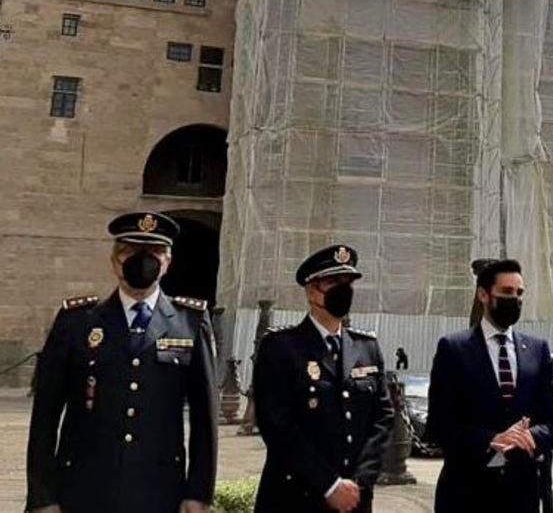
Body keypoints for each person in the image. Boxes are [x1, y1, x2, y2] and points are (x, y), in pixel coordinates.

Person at [26, 211, 217, 513]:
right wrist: (43, 496)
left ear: (167, 262)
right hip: (83, 489)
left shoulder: (189, 323)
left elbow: (205, 419)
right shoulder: (77, 322)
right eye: (131, 252)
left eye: (154, 252)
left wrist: (198, 493)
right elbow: (45, 416)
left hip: (159, 491)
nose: (143, 261)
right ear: (115, 261)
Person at [252, 244, 394, 513]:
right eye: (332, 282)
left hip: (354, 499)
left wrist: (361, 482)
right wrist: (329, 485)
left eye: (348, 282)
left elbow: (382, 418)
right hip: (296, 497)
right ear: (310, 290)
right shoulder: (282, 347)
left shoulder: (367, 347)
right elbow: (277, 426)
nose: (343, 290)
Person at [427, 259, 553, 513]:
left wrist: (533, 436)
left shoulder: (537, 350)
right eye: (507, 292)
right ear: (483, 295)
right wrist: (491, 439)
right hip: (467, 492)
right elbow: (439, 424)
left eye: (520, 293)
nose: (515, 299)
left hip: (522, 493)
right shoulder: (454, 349)